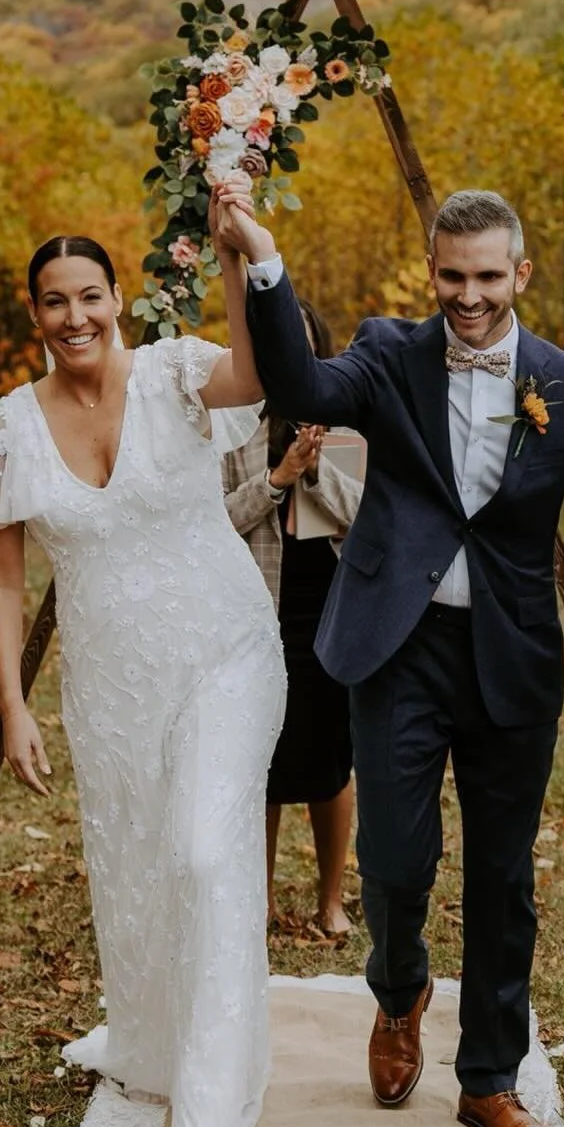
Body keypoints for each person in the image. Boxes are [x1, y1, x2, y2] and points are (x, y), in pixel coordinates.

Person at [217, 185, 564, 1127]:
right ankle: (399, 985)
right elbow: (301, 391)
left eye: (488, 277)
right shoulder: (386, 354)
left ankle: (487, 1078)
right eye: (452, 277)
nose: (469, 296)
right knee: (395, 860)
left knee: (503, 876)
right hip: (397, 647)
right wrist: (265, 258)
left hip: (513, 661)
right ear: (432, 273)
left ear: (519, 275)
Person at [0, 213, 286, 1127]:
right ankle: (154, 1047)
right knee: (142, 869)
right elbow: (1, 577)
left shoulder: (177, 375)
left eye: (91, 296)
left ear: (117, 301)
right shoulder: (8, 428)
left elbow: (257, 373)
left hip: (226, 653)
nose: (76, 316)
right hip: (108, 687)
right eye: (56, 301)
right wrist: (16, 703)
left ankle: (213, 1100)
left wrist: (243, 261)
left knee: (201, 850)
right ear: (36, 314)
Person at [220, 297, 362, 935]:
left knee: (331, 760)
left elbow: (363, 515)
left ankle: (330, 900)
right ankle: (263, 900)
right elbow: (214, 521)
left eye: (297, 343)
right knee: (264, 760)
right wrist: (276, 477)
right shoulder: (230, 425)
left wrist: (313, 470)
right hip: (253, 607)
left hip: (328, 607)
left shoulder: (346, 420)